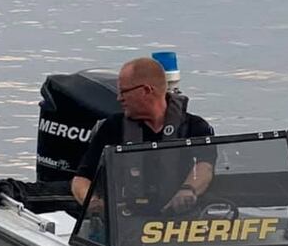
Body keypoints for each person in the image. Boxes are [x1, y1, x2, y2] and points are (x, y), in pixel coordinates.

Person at [71, 57, 214, 214]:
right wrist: (93, 203)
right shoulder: (112, 127)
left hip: (178, 219)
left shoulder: (194, 127)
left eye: (124, 92)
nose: (119, 98)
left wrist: (188, 190)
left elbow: (205, 167)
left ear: (146, 90)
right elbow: (81, 179)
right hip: (124, 219)